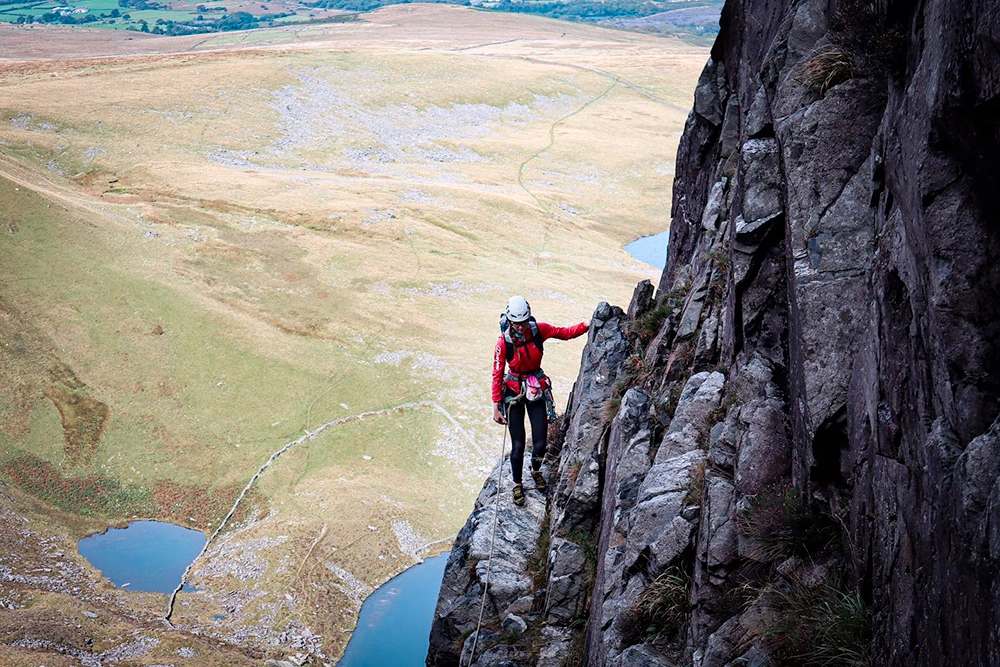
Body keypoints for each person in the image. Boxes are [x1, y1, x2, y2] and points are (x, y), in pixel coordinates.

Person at [492, 296, 588, 507]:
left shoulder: (538, 330)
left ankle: (535, 472)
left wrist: (587, 325)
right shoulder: (504, 342)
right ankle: (517, 484)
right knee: (518, 445)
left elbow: (564, 333)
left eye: (523, 321)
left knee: (541, 442)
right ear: (509, 320)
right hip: (514, 393)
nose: (520, 326)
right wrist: (496, 406)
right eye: (516, 322)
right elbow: (497, 373)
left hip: (535, 389)